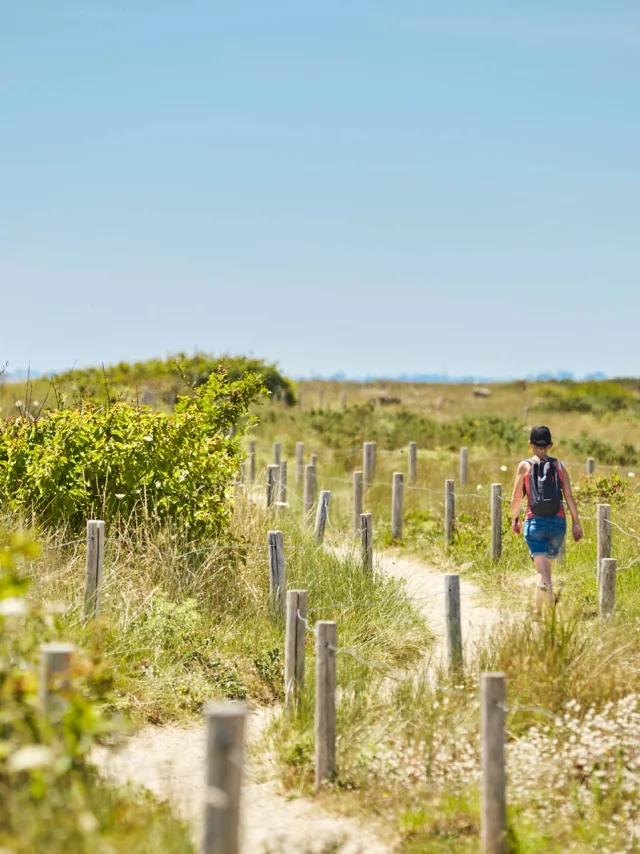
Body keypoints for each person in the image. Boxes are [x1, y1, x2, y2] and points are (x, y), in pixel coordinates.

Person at [511, 426, 583, 614]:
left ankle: (551, 616)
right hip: (558, 525)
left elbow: (516, 497)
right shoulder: (559, 466)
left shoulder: (525, 466)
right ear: (550, 445)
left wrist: (514, 519)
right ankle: (537, 609)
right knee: (545, 570)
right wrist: (576, 523)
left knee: (544, 572)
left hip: (535, 524)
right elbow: (569, 496)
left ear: (530, 444)